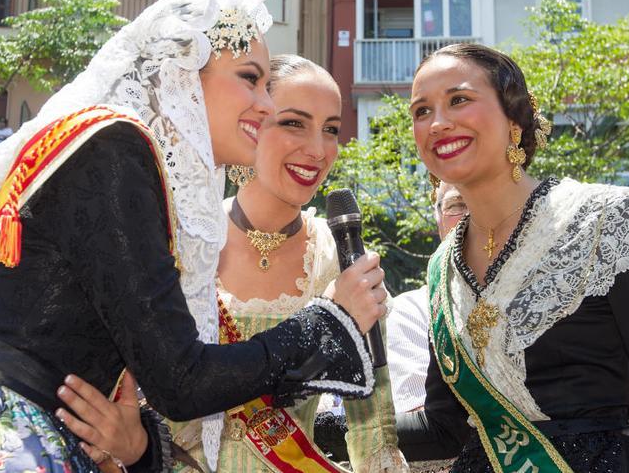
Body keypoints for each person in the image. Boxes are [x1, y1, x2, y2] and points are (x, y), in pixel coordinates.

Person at [0, 0, 385, 472]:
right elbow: (181, 381)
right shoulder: (117, 146)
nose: (266, 104)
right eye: (249, 78)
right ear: (184, 70)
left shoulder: (116, 147)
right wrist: (331, 321)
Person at [56, 54, 408, 473]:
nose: (318, 150)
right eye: (294, 123)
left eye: (331, 129)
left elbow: (374, 433)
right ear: (251, 122)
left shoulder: (340, 264)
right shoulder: (177, 245)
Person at [395, 43, 629, 472]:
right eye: (421, 111)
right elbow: (446, 427)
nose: (438, 123)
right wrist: (324, 422)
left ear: (513, 118)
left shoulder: (607, 219)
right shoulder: (442, 265)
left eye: (458, 99)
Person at [387, 181, 464, 415]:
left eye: (485, 200)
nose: (472, 216)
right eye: (457, 204)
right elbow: (420, 419)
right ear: (438, 218)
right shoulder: (412, 312)